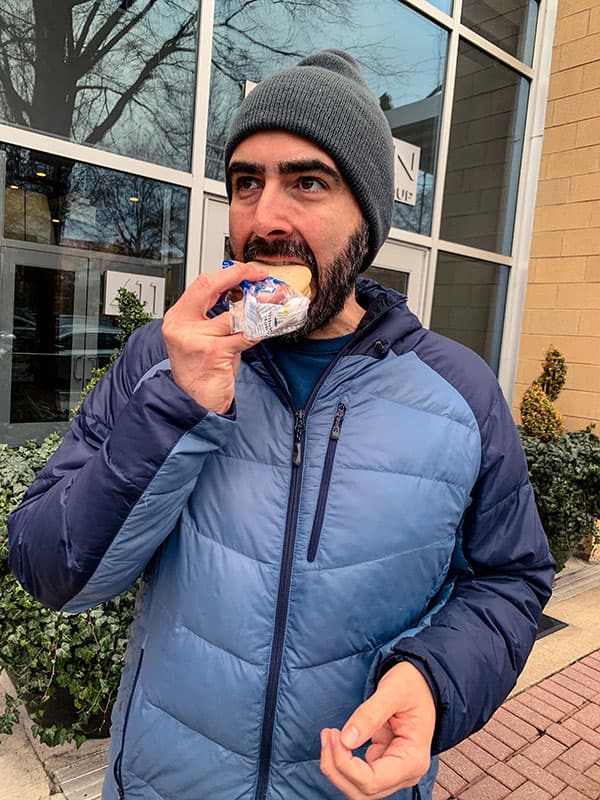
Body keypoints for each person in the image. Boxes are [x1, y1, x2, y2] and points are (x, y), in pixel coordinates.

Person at [8, 50, 554, 800]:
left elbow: (511, 580)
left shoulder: (462, 394)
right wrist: (179, 405)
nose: (264, 219)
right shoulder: (160, 358)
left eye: (307, 182)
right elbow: (49, 569)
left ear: (368, 218)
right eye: (245, 184)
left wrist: (434, 683)